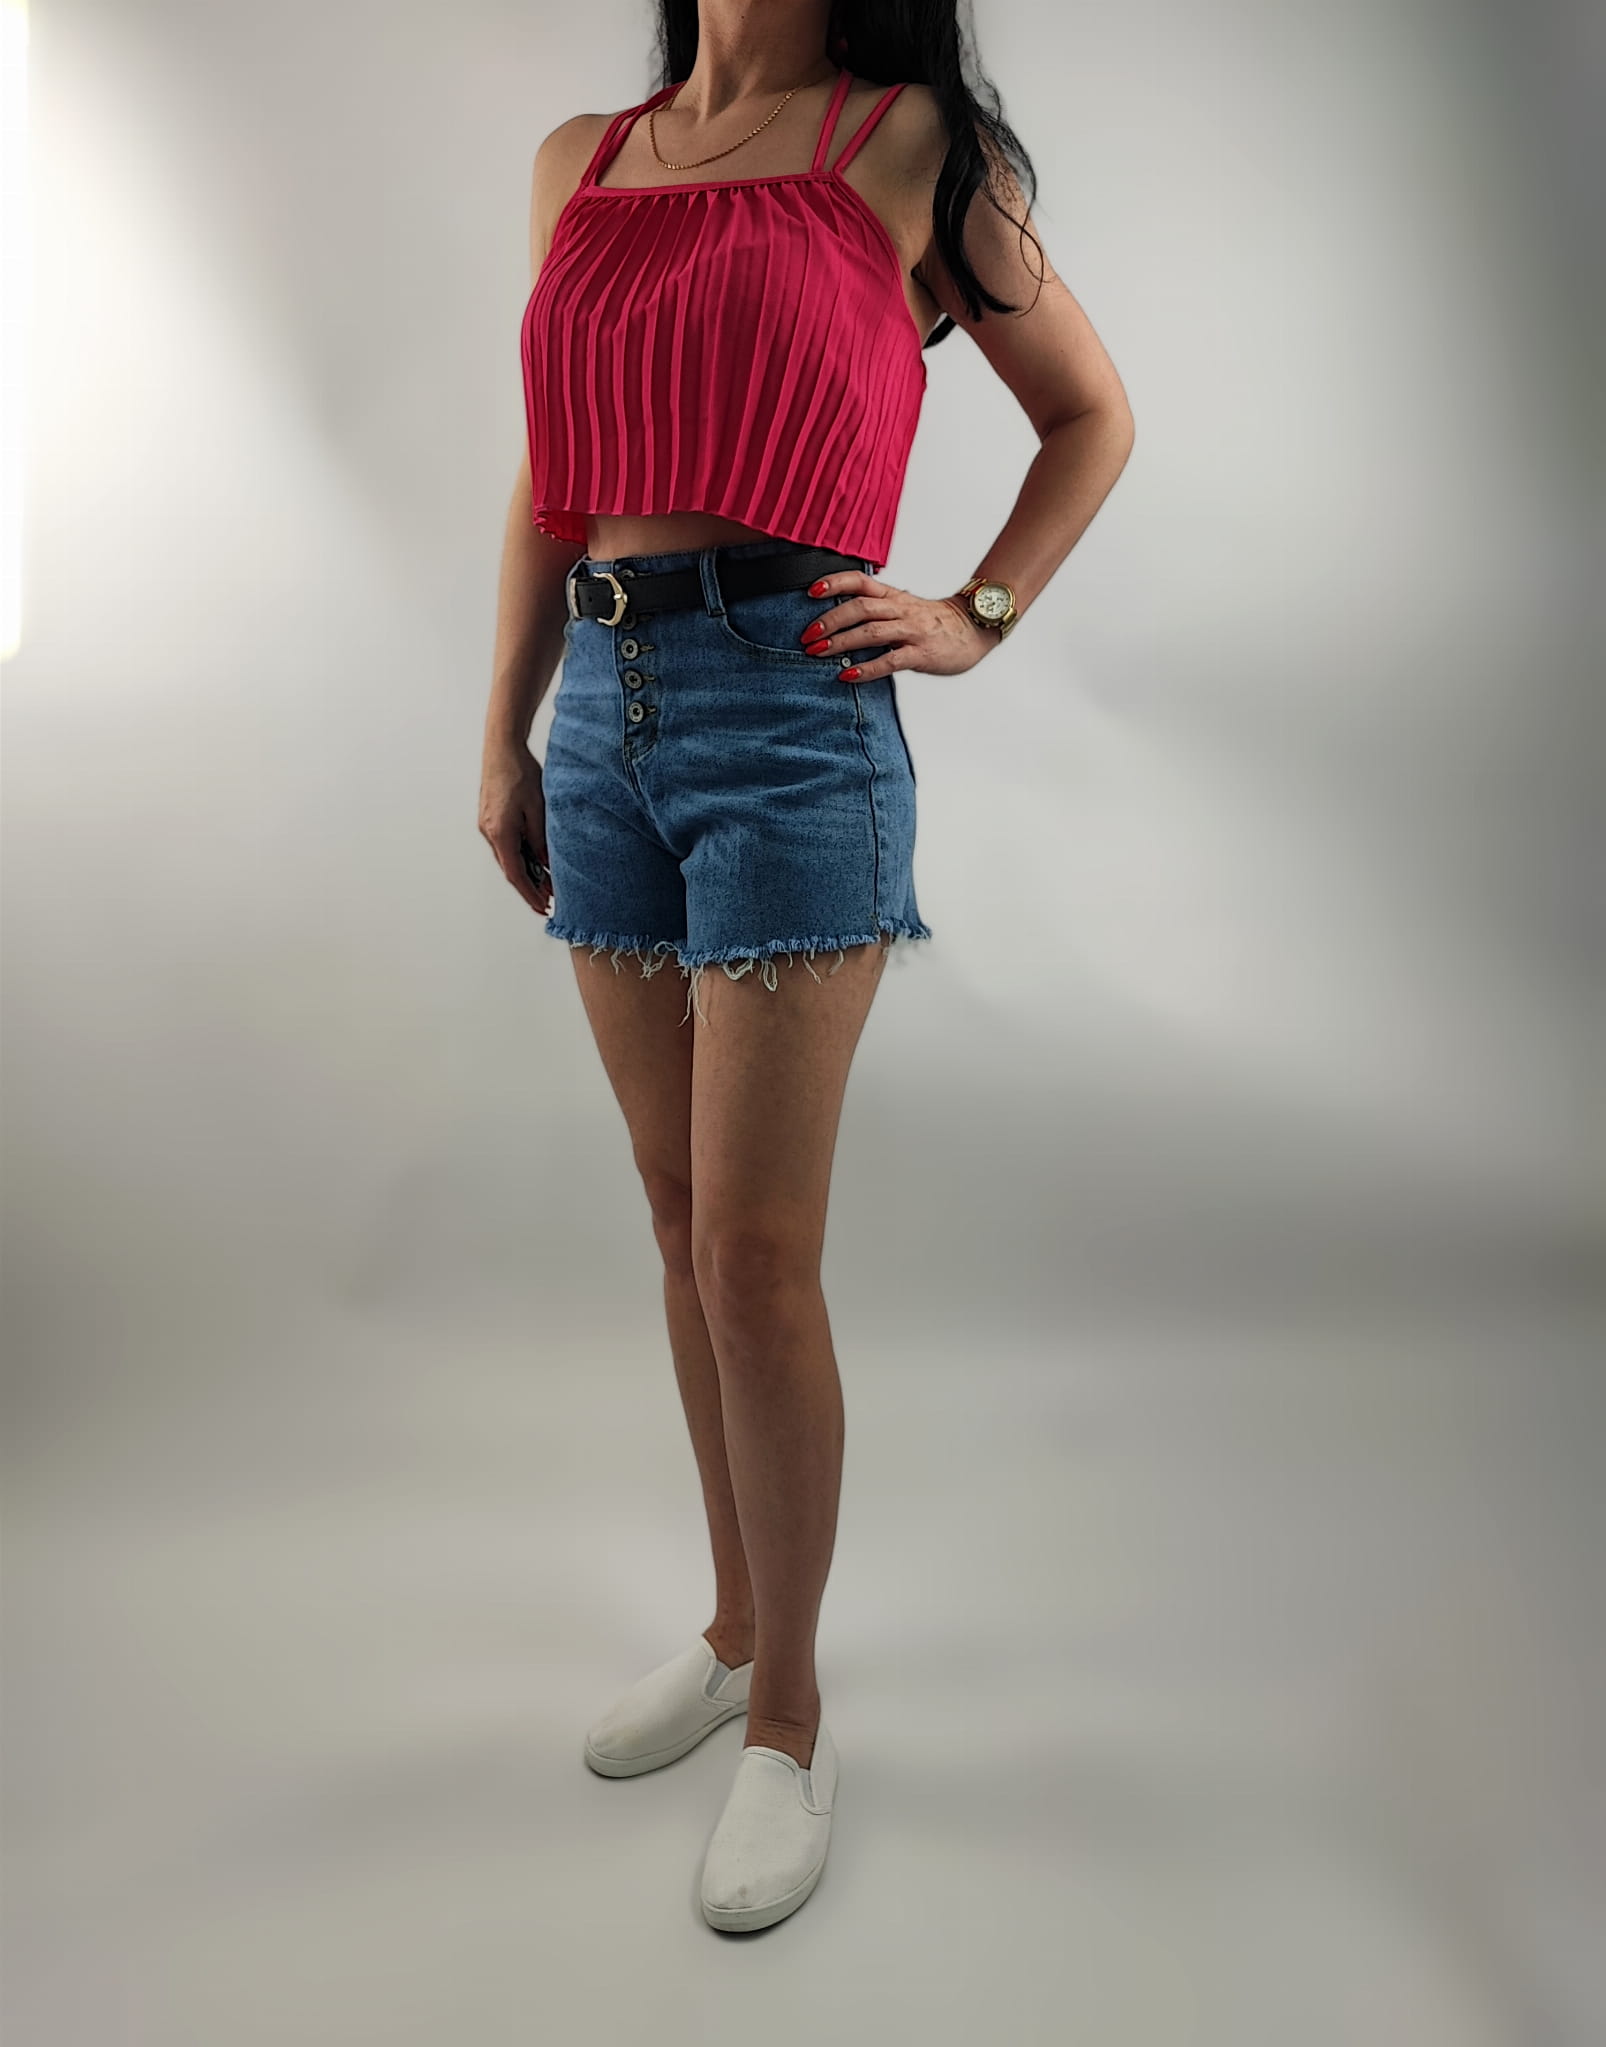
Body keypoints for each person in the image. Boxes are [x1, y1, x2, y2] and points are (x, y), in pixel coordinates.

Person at [479, 0, 1134, 1932]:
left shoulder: (911, 144)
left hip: (792, 716)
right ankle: (733, 1627)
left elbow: (1090, 412)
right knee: (681, 1222)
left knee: (758, 1256)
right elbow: (550, 477)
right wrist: (504, 727)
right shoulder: (583, 159)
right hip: (602, 721)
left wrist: (977, 610)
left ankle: (791, 1724)